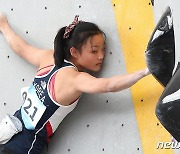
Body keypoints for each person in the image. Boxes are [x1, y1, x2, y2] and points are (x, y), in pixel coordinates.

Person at [0, 13, 150, 154]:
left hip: (7, 131)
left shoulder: (48, 58)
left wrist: (4, 26)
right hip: (24, 146)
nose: (101, 56)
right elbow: (109, 85)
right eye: (94, 51)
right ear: (74, 52)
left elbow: (21, 48)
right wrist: (145, 72)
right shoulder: (74, 79)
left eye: (103, 50)